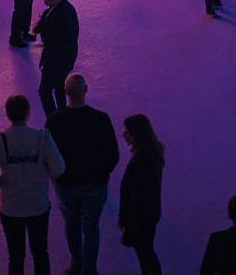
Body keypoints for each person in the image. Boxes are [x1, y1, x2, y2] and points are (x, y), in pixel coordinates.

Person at [0, 94, 65, 275]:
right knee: (40, 253)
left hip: (11, 208)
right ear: (28, 112)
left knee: (16, 256)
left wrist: (3, 180)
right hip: (38, 205)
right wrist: (44, 174)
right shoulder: (42, 137)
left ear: (7, 114)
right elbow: (59, 168)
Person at [46, 75, 119, 275]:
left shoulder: (54, 121)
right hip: (94, 184)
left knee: (71, 223)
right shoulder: (101, 119)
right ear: (85, 89)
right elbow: (113, 154)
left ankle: (76, 263)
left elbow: (49, 154)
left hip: (66, 184)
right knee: (91, 227)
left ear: (65, 92)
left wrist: (56, 176)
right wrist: (102, 174)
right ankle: (89, 269)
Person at [118, 115, 164, 275]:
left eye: (127, 132)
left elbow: (136, 194)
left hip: (140, 217)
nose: (124, 135)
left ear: (136, 134)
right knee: (146, 253)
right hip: (149, 214)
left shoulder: (141, 159)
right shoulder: (151, 155)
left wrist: (126, 219)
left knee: (145, 255)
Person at [34, 0, 79, 117]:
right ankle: (62, 114)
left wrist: (42, 30)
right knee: (59, 86)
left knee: (45, 91)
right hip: (66, 58)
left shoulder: (60, 15)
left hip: (57, 60)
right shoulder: (65, 7)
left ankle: (54, 118)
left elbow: (51, 38)